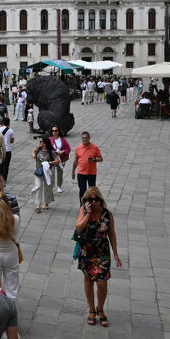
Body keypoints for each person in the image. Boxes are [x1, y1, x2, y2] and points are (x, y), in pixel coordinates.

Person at [74, 187, 122, 327]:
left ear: (101, 200)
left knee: (102, 282)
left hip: (102, 252)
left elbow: (111, 234)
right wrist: (88, 214)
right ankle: (91, 310)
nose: (94, 202)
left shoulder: (108, 214)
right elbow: (79, 227)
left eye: (96, 199)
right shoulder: (83, 211)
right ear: (86, 201)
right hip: (86, 251)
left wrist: (116, 254)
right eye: (90, 200)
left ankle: (100, 308)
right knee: (88, 280)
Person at [71, 131, 103, 202]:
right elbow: (76, 160)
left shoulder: (95, 148)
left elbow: (101, 158)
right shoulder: (78, 148)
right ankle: (82, 206)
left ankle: (91, 205)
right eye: (83, 138)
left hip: (91, 173)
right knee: (82, 190)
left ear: (89, 138)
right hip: (81, 173)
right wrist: (73, 171)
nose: (84, 139)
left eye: (85, 138)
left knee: (92, 191)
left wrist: (94, 160)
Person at [32, 135, 59, 212]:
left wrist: (50, 162)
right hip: (38, 170)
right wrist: (33, 155)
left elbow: (57, 160)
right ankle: (38, 204)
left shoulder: (51, 152)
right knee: (38, 186)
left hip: (47, 171)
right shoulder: (38, 149)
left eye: (41, 141)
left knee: (47, 187)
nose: (39, 143)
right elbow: (33, 150)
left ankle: (46, 203)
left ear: (45, 143)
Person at [48, 125, 70, 193]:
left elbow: (68, 148)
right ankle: (51, 187)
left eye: (56, 130)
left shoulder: (62, 140)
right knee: (51, 173)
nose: (54, 132)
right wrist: (53, 152)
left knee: (60, 173)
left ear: (58, 131)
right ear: (51, 132)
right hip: (52, 159)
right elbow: (46, 148)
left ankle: (59, 186)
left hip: (61, 159)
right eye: (53, 131)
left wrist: (63, 151)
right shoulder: (49, 139)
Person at [0, 117, 15, 182]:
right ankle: (4, 179)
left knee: (0, 164)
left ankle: (0, 177)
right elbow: (12, 141)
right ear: (9, 123)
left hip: (0, 149)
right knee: (6, 165)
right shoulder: (11, 131)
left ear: (2, 123)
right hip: (7, 150)